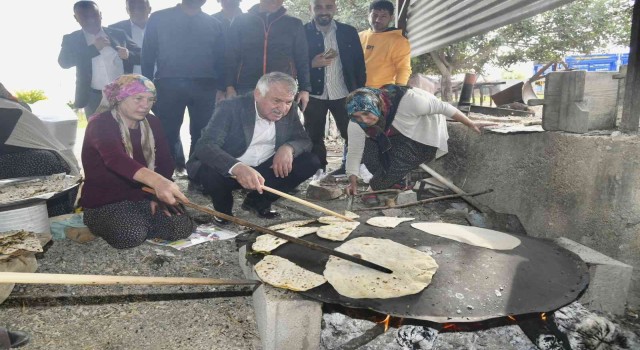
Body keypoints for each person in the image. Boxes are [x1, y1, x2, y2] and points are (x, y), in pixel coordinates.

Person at [187, 72, 321, 223]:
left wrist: (288, 148)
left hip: (264, 169)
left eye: (288, 102)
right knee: (209, 169)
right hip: (229, 172)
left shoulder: (290, 111)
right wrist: (237, 167)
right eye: (276, 100)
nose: (282, 108)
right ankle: (223, 212)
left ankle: (257, 201)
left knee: (310, 161)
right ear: (258, 94)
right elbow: (205, 146)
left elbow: (303, 140)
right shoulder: (230, 108)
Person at [81, 74, 195, 249]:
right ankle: (118, 223)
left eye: (150, 100)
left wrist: (157, 195)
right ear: (120, 98)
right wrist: (157, 182)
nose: (145, 105)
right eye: (138, 98)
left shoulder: (153, 122)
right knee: (131, 235)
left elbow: (165, 162)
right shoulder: (100, 124)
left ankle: (141, 221)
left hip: (143, 196)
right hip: (106, 201)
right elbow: (116, 159)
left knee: (181, 227)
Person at [344, 85, 486, 206]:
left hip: (422, 134)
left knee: (396, 163)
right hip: (392, 134)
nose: (364, 120)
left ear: (376, 106)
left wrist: (470, 123)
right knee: (370, 157)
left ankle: (376, 187)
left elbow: (444, 107)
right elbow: (355, 151)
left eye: (366, 113)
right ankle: (394, 181)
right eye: (357, 116)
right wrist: (352, 180)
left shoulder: (410, 102)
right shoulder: (356, 123)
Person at [142, 0, 225, 178]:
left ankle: (197, 175)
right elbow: (147, 55)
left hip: (205, 86)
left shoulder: (214, 24)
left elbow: (220, 59)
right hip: (168, 85)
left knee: (202, 134)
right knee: (166, 133)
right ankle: (164, 176)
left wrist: (222, 87)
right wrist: (146, 87)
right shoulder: (158, 18)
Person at [303, 0, 366, 174]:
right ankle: (318, 172)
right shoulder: (301, 32)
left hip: (345, 93)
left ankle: (351, 169)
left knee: (352, 133)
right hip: (313, 95)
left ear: (335, 8)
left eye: (329, 7)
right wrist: (311, 64)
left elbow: (359, 65)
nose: (324, 11)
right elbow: (293, 64)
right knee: (313, 135)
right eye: (318, 7)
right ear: (311, 9)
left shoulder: (349, 32)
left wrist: (359, 92)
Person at [224, 0, 311, 111]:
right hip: (246, 87)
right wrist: (229, 86)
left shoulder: (294, 24)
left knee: (280, 127)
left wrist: (305, 89)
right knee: (246, 126)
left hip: (282, 88)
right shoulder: (240, 21)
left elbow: (302, 59)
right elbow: (231, 56)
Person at [58, 1, 141, 117]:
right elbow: (64, 62)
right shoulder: (72, 39)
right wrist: (94, 49)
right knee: (97, 133)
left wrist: (128, 54)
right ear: (76, 18)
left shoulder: (118, 34)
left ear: (101, 14)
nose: (91, 20)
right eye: (85, 16)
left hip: (122, 94)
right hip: (93, 97)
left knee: (125, 132)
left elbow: (142, 55)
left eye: (94, 15)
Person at [359, 0, 412, 88]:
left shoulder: (399, 41)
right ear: (368, 15)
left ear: (391, 18)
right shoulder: (359, 36)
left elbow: (403, 69)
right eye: (374, 15)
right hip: (357, 89)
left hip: (382, 92)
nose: (378, 19)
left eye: (383, 16)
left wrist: (398, 92)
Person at [109, 0, 152, 75]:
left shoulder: (161, 29)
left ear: (149, 9)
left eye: (141, 7)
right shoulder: (114, 30)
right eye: (132, 8)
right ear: (127, 10)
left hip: (160, 81)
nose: (136, 11)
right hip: (129, 82)